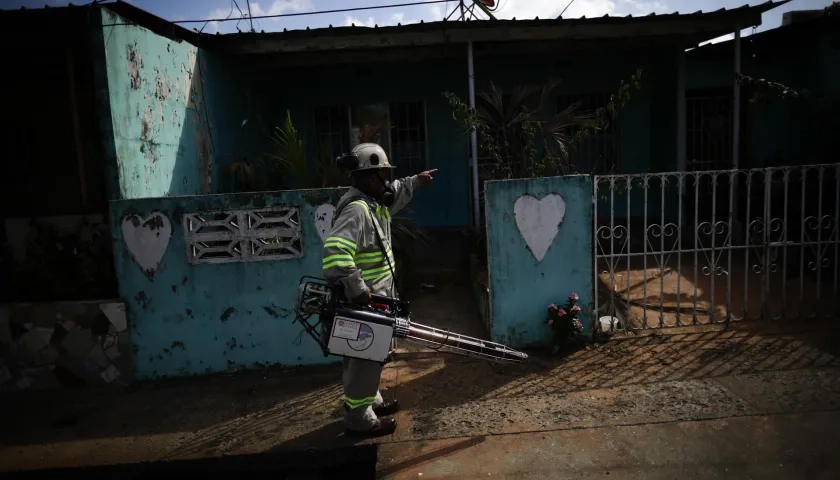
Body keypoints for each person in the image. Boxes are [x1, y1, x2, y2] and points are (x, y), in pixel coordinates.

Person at [322, 142, 436, 438]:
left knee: (371, 357)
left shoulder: (373, 204)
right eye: (380, 176)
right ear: (365, 177)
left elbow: (395, 193)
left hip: (376, 301)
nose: (386, 183)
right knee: (363, 359)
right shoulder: (357, 210)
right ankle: (359, 419)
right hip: (364, 303)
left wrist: (415, 182)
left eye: (386, 176)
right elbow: (335, 254)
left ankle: (369, 400)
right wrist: (357, 289)